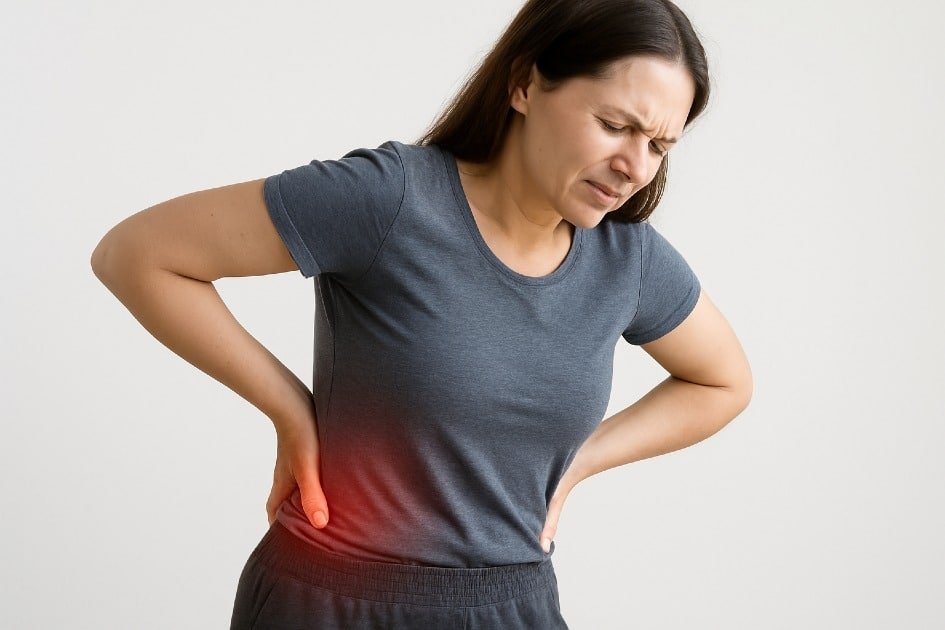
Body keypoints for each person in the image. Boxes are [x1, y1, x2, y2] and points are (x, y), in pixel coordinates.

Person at [90, 0, 753, 627]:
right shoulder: (390, 199)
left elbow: (722, 382)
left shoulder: (628, 260)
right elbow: (137, 255)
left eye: (659, 146)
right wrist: (290, 408)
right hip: (329, 602)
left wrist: (579, 461)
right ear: (524, 84)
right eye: (615, 125)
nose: (635, 166)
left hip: (511, 606)